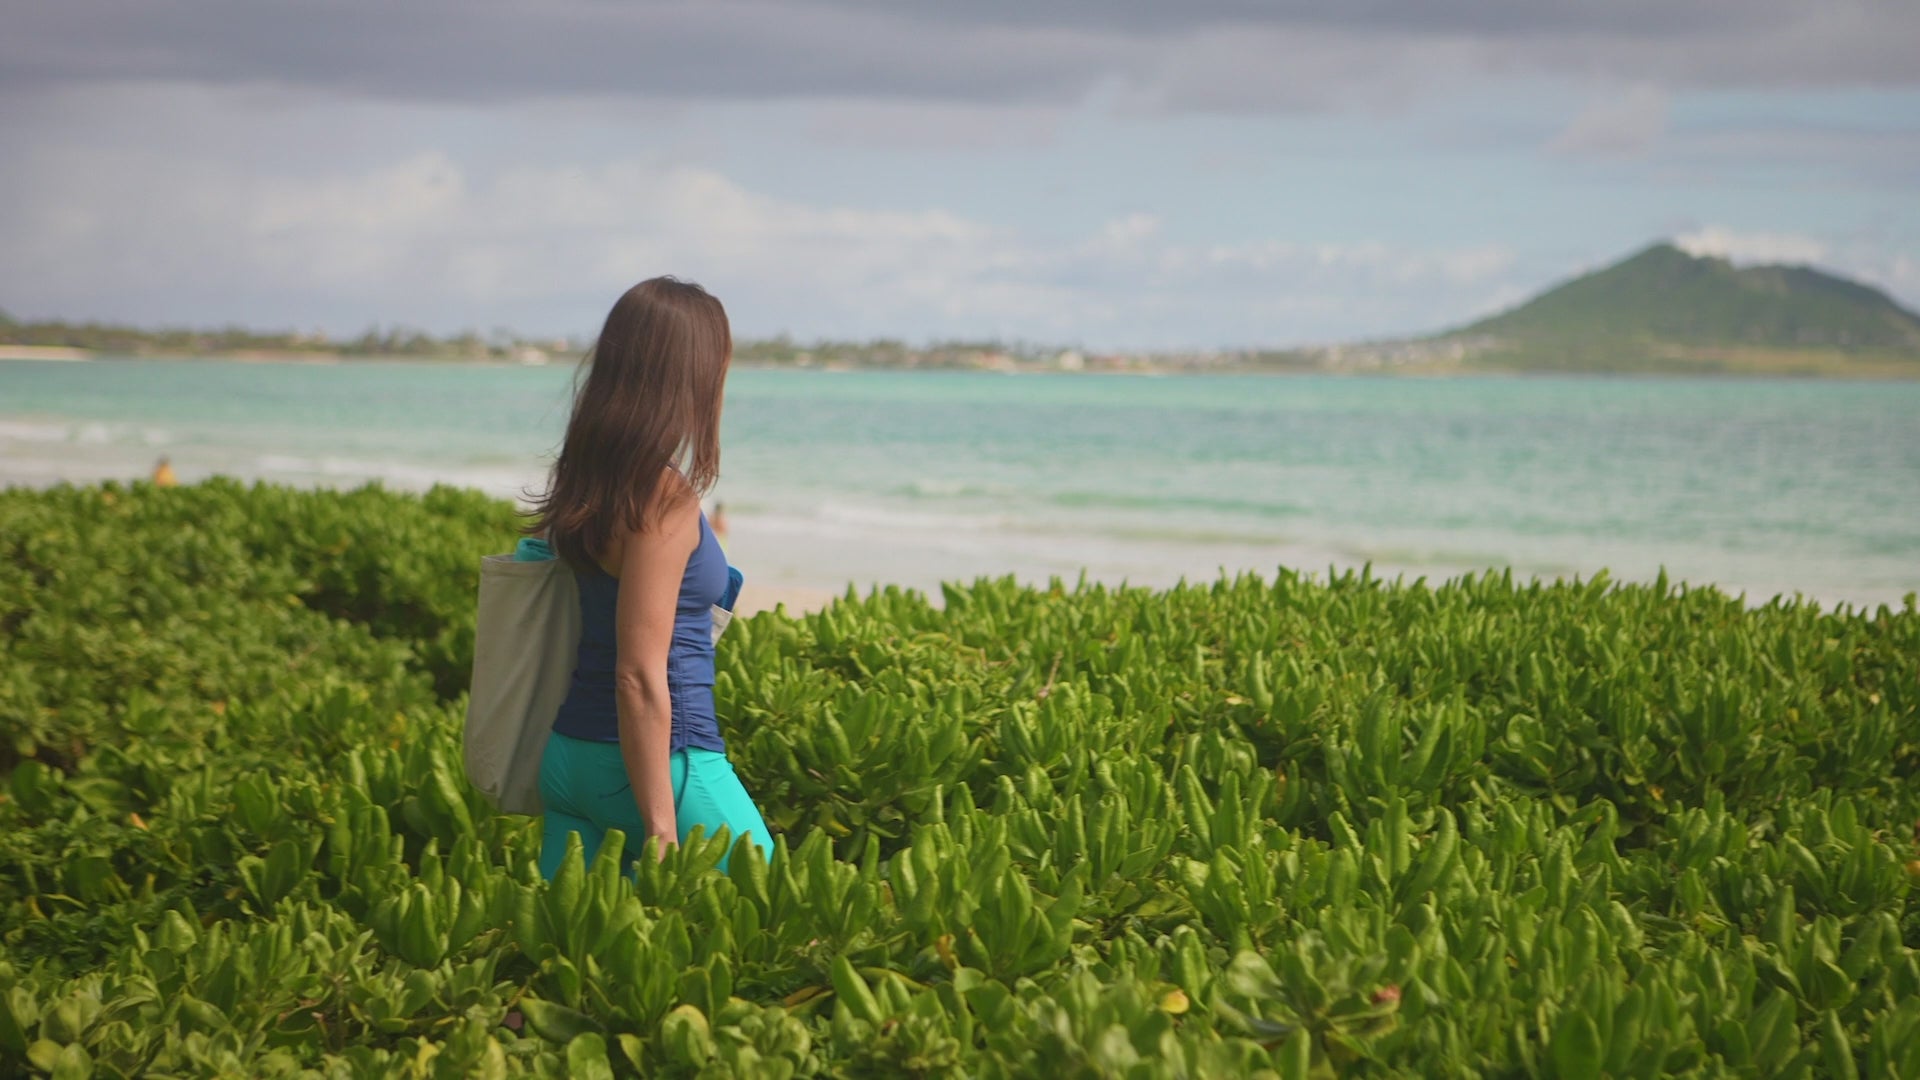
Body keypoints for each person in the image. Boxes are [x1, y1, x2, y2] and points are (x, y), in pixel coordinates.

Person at [523, 277, 770, 877]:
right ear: (692, 376)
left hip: (569, 760)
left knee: (578, 933)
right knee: (774, 901)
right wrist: (660, 825)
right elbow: (636, 674)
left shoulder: (587, 481)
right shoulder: (663, 498)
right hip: (665, 766)